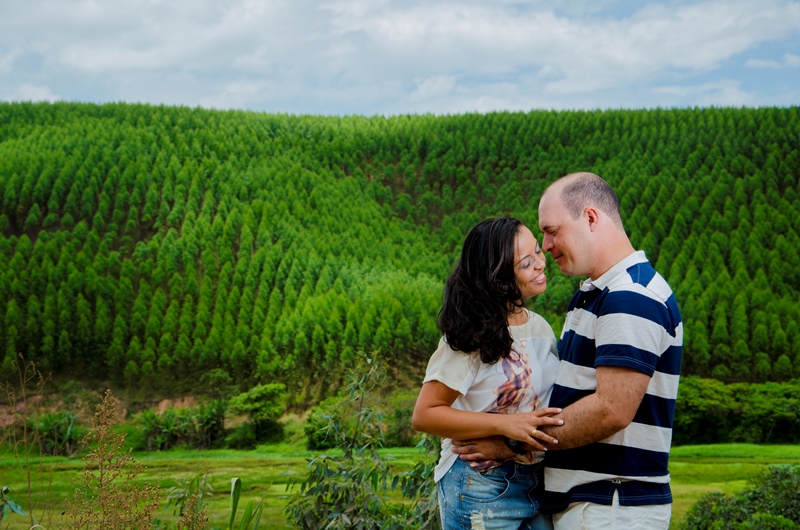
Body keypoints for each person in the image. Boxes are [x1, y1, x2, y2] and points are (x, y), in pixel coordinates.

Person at [452, 173, 683, 530]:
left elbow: (610, 411)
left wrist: (511, 443)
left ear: (590, 218)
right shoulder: (597, 294)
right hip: (596, 506)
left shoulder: (630, 296)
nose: (545, 245)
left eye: (551, 230)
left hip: (610, 505)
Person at [411, 216, 563, 530]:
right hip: (479, 485)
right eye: (525, 262)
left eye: (538, 251)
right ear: (497, 277)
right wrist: (507, 425)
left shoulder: (541, 328)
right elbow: (425, 415)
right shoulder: (468, 337)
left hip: (537, 481)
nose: (540, 264)